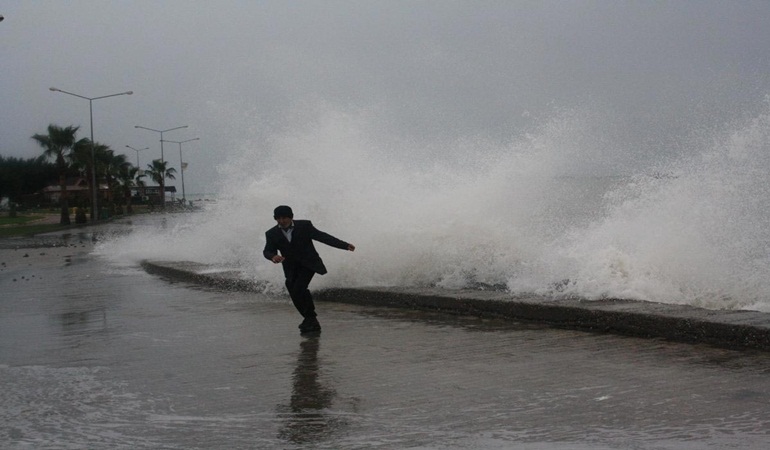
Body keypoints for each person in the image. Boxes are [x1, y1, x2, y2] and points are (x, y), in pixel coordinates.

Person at [263, 205, 355, 334]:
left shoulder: (304, 226)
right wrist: (273, 256)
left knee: (299, 289)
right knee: (292, 289)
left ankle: (311, 318)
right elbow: (267, 250)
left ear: (291, 217)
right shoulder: (272, 233)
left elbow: (322, 237)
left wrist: (344, 245)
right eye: (278, 218)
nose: (282, 221)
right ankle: (309, 318)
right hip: (290, 267)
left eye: (284, 218)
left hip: (308, 264)